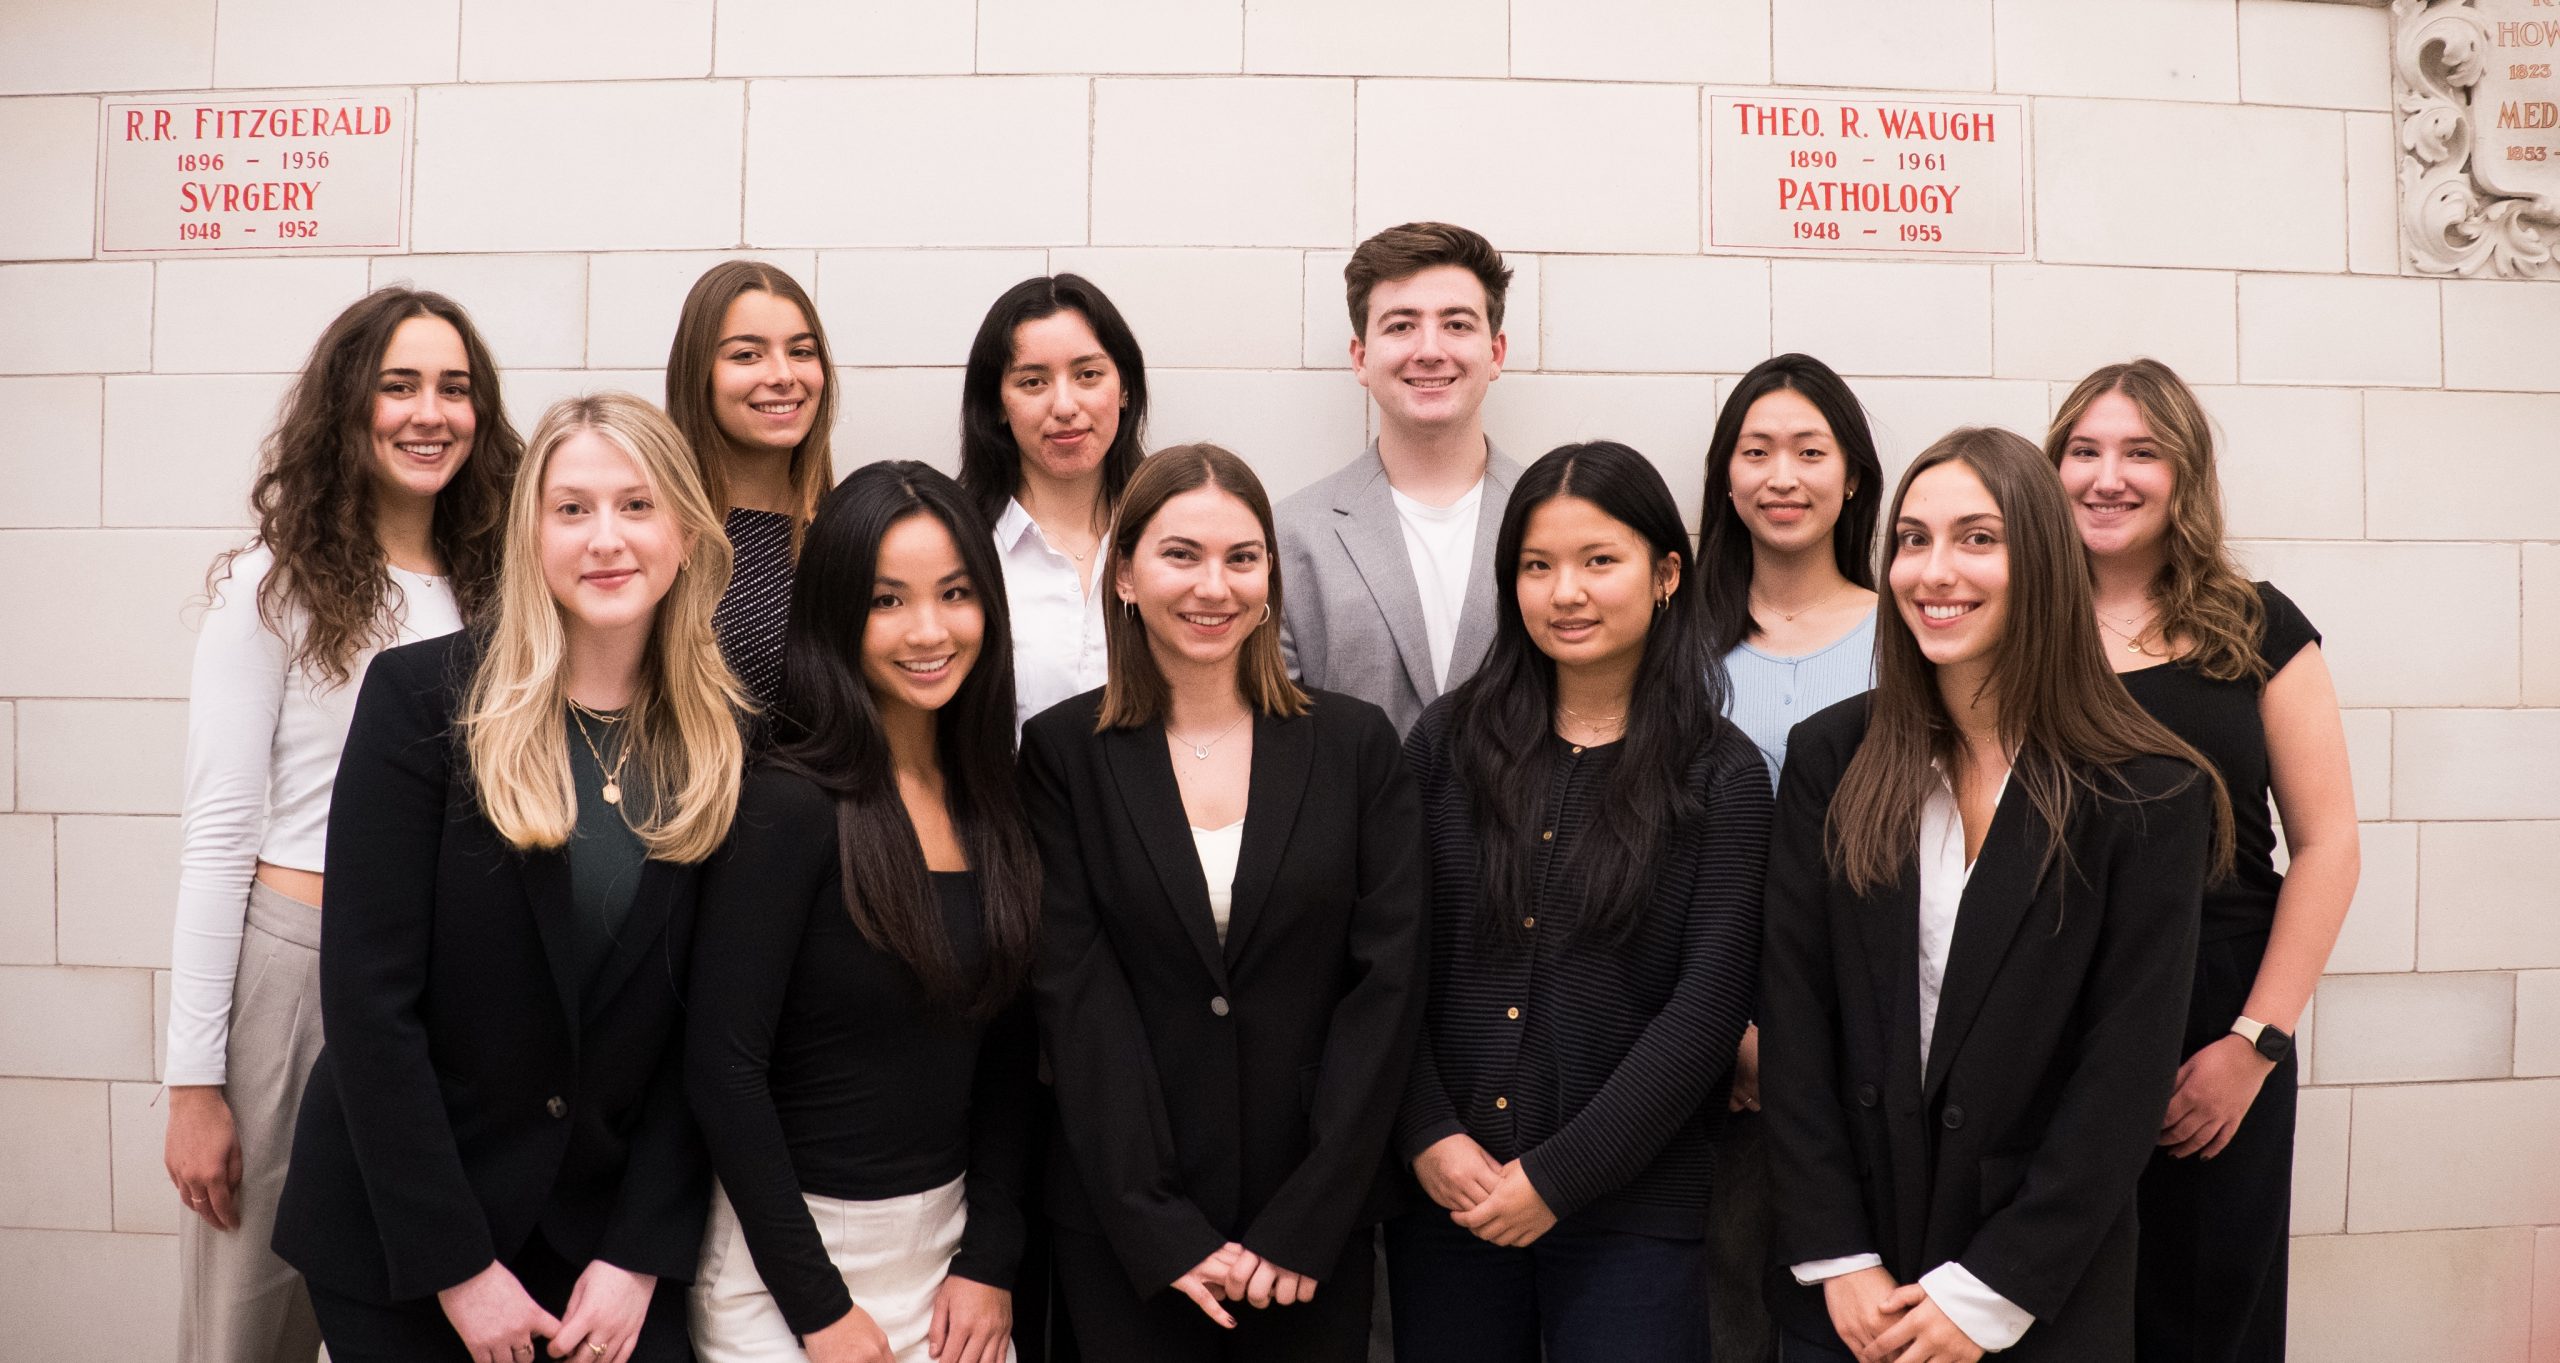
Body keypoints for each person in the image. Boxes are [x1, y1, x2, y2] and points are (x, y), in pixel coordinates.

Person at [273, 392, 748, 1363]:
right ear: (530, 534)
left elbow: (714, 1033)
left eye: (637, 505)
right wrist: (459, 1266)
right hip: (407, 1234)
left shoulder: (734, 745)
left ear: (688, 536)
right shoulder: (420, 703)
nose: (605, 538)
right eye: (571, 508)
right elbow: (369, 1006)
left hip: (605, 1250)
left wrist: (639, 1255)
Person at [1760, 426, 2234, 1363]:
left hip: (2037, 1290)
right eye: (1912, 538)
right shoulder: (1830, 759)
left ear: (2047, 563)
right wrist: (1837, 1254)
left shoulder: (2150, 793)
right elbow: (1796, 1017)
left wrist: (1988, 1293)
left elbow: (2123, 1076)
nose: (1934, 571)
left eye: (1979, 538)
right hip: (1854, 1290)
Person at [163, 287, 520, 1363]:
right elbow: (219, 831)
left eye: (455, 388)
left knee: (411, 1304)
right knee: (251, 1324)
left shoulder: (503, 584)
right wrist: (192, 1084)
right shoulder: (270, 587)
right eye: (398, 385)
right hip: (298, 975)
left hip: (441, 999)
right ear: (347, 404)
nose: (430, 412)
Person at [1019, 444, 1428, 1362]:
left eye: (1243, 557)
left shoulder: (1356, 746)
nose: (1216, 585)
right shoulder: (1062, 755)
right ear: (1124, 576)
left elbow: (1388, 989)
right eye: (1181, 554)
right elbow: (1076, 1003)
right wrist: (1158, 1226)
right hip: (1128, 1238)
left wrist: (1310, 1216)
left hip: (1307, 1235)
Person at [1390, 442, 1771, 1363]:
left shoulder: (1724, 773)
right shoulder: (1445, 743)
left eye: (1600, 561)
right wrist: (1428, 1133)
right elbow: (1387, 968)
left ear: (1666, 573)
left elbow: (1709, 1007)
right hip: (1450, 1203)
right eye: (1537, 565)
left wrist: (1559, 1177)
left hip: (1634, 1216)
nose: (1567, 591)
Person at [688, 462, 1038, 1363]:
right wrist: (820, 1310)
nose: (929, 630)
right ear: (839, 614)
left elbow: (1009, 1057)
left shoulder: (995, 804)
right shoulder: (788, 804)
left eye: (955, 593)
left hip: (954, 1271)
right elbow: (723, 1069)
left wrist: (990, 1260)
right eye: (888, 601)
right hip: (788, 1270)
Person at [2046, 361, 2358, 1363]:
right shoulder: (2017, 631)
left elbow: (2327, 844)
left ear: (2185, 473)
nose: (2108, 476)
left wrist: (2250, 1044)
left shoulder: (2255, 625)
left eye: (2140, 452)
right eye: (2084, 451)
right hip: (2051, 1018)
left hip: (2213, 1020)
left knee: (2201, 1316)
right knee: (2052, 1307)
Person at [1693, 354, 1885, 1363]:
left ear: (1851, 475)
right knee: (1726, 1314)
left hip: (1871, 1037)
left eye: (1810, 451)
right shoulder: (1678, 645)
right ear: (1724, 477)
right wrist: (1731, 1032)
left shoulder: (1909, 633)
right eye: (1755, 450)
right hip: (1711, 1055)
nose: (1782, 475)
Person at [1278, 221, 1522, 736]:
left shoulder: (1554, 517)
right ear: (1361, 358)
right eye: (1400, 325)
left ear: (1495, 353)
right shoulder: (1291, 536)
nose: (1429, 350)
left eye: (1456, 324)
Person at [956, 273, 1152, 734]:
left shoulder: (1170, 535)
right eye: (1032, 382)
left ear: (1124, 388)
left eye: (1088, 375)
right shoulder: (959, 544)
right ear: (998, 404)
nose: (1064, 406)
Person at [667, 259, 841, 708]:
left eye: (801, 352)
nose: (783, 375)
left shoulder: (845, 530)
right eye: (747, 355)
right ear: (698, 373)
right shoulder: (659, 533)